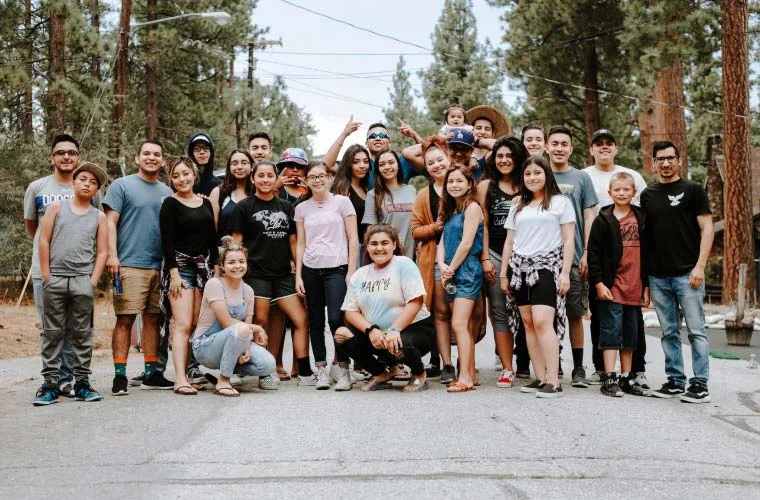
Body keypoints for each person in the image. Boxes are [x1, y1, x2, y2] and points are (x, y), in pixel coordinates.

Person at [24, 134, 100, 397]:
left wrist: (92, 277)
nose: (66, 156)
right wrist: (46, 271)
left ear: (78, 158)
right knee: (51, 328)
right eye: (60, 152)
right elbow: (33, 227)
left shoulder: (89, 186)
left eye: (71, 152)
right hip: (46, 271)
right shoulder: (37, 188)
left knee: (76, 328)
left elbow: (96, 224)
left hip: (79, 273)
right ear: (52, 158)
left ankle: (68, 380)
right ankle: (53, 378)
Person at [641, 140, 714, 403]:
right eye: (660, 159)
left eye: (670, 158)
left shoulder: (693, 190)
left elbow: (707, 228)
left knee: (696, 331)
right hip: (658, 276)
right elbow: (646, 239)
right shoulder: (647, 195)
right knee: (669, 332)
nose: (665, 163)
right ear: (654, 163)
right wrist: (646, 281)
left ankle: (700, 384)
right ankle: (675, 380)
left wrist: (700, 266)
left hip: (688, 274)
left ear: (679, 160)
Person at [229, 160, 310, 389]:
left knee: (300, 318)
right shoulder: (244, 207)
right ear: (253, 179)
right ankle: (262, 371)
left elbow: (293, 242)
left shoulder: (286, 207)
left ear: (276, 179)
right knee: (261, 320)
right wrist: (235, 274)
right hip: (256, 273)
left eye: (269, 176)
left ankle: (303, 371)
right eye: (261, 176)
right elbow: (236, 243)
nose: (265, 180)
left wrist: (299, 272)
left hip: (282, 273)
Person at [33, 163, 108, 405]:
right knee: (52, 332)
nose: (87, 184)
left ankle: (82, 382)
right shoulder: (56, 207)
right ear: (73, 182)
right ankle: (50, 384)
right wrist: (47, 276)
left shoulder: (98, 216)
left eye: (93, 183)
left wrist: (92, 281)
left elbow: (103, 251)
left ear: (96, 190)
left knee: (82, 333)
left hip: (82, 280)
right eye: (83, 179)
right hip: (55, 278)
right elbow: (43, 241)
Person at [501, 155, 575, 398]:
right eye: (528, 174)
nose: (532, 177)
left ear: (546, 174)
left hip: (546, 268)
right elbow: (509, 241)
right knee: (528, 324)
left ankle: (554, 380)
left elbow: (568, 239)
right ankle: (540, 377)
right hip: (519, 269)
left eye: (537, 173)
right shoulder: (518, 205)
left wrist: (565, 273)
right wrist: (503, 274)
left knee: (543, 322)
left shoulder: (560, 202)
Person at [104, 140, 174, 395]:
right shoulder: (122, 185)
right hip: (129, 264)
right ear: (137, 158)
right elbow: (109, 223)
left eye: (156, 154)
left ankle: (151, 373)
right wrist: (112, 255)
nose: (151, 157)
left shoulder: (168, 191)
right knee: (125, 318)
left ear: (162, 161)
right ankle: (119, 376)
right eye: (146, 153)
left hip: (160, 266)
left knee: (153, 320)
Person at [583, 129, 649, 388]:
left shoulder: (640, 212)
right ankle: (605, 372)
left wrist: (647, 284)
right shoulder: (601, 211)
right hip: (609, 277)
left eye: (609, 143)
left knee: (632, 329)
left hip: (634, 282)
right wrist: (597, 278)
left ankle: (630, 374)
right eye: (598, 143)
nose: (604, 147)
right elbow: (594, 248)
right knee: (606, 324)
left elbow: (649, 246)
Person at [335, 224, 434, 392]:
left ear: (394, 245)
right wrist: (370, 330)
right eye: (374, 244)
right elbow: (350, 312)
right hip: (379, 336)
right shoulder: (360, 274)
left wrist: (395, 329)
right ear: (367, 247)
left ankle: (419, 373)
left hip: (414, 331)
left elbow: (415, 302)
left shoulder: (403, 264)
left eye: (384, 243)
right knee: (341, 335)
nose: (379, 248)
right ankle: (380, 374)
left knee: (399, 342)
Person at [294, 162, 359, 390]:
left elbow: (353, 239)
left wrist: (351, 271)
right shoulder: (302, 208)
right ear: (306, 181)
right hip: (311, 269)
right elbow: (301, 244)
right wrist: (298, 275)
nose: (318, 180)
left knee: (335, 319)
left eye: (321, 175)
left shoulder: (342, 202)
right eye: (312, 177)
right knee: (315, 321)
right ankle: (321, 370)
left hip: (336, 268)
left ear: (329, 177)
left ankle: (343, 370)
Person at [159, 157, 219, 395]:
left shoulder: (205, 203)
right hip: (180, 269)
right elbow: (166, 242)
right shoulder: (170, 204)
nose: (181, 179)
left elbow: (212, 240)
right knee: (182, 324)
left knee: (195, 324)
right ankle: (179, 379)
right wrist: (173, 275)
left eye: (185, 174)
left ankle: (188, 373)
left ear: (194, 175)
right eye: (176, 176)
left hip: (203, 269)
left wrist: (216, 270)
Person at [546, 125, 598, 387]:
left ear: (571, 149)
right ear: (546, 147)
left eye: (564, 144)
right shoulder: (538, 173)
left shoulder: (581, 178)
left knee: (575, 313)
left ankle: (578, 367)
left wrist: (587, 251)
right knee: (547, 315)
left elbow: (589, 216)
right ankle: (553, 362)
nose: (559, 148)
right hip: (544, 257)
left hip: (575, 257)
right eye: (554, 143)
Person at [191, 237, 276, 397]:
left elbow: (246, 327)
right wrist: (258, 328)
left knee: (268, 364)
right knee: (241, 328)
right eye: (231, 262)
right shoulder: (215, 284)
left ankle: (227, 370)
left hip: (235, 340)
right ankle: (224, 380)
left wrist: (245, 349)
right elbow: (226, 322)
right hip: (206, 346)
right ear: (222, 266)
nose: (237, 266)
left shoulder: (248, 291)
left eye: (241, 261)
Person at [476, 137, 527, 388]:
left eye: (509, 155)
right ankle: (507, 367)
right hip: (495, 255)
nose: (504, 160)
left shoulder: (528, 182)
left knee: (529, 312)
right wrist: (485, 258)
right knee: (500, 311)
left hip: (526, 255)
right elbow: (482, 224)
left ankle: (533, 363)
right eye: (499, 156)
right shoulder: (486, 186)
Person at [437, 165, 484, 392]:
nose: (454, 185)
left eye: (459, 181)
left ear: (469, 184)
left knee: (458, 324)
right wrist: (441, 264)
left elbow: (466, 243)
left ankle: (464, 378)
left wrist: (451, 269)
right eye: (450, 181)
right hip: (451, 271)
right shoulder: (451, 210)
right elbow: (442, 242)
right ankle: (471, 373)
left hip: (467, 270)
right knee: (464, 324)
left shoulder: (473, 208)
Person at [411, 137, 452, 382]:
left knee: (465, 313)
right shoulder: (423, 195)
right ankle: (445, 362)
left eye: (440, 159)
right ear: (426, 167)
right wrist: (435, 228)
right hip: (434, 259)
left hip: (464, 258)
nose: (437, 165)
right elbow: (416, 231)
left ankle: (467, 361)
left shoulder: (462, 185)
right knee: (439, 311)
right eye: (430, 162)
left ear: (449, 158)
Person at [324, 117, 423, 185]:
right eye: (373, 136)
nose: (378, 138)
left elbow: (428, 157)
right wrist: (344, 134)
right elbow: (328, 165)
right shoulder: (360, 166)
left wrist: (415, 135)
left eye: (383, 135)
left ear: (390, 141)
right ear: (366, 143)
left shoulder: (402, 163)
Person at [362, 149, 417, 260]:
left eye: (391, 162)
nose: (387, 167)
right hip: (386, 257)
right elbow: (370, 231)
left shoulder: (411, 190)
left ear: (398, 166)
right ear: (378, 169)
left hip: (411, 257)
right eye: (382, 164)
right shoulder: (373, 195)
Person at [209, 150, 255, 245]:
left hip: (254, 251)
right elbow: (211, 230)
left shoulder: (258, 192)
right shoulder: (218, 193)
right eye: (234, 163)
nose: (239, 167)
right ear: (229, 167)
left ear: (252, 166)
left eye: (244, 163)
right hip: (225, 251)